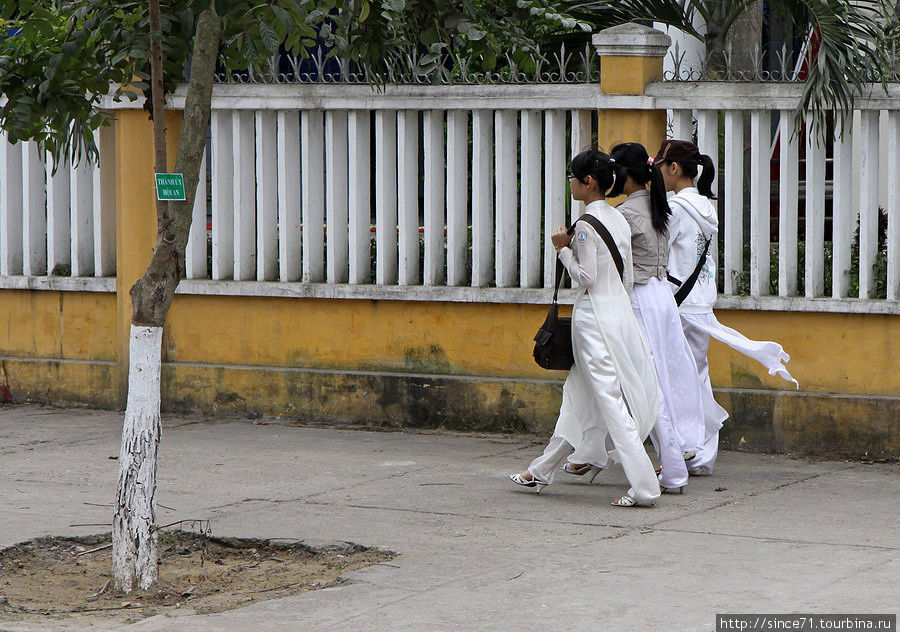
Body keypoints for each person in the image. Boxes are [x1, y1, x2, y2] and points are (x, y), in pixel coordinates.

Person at [509, 149, 662, 507]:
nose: (571, 185)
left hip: (594, 320)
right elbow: (624, 278)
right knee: (579, 397)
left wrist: (562, 249)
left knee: (609, 402)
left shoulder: (585, 228)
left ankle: (643, 488)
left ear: (587, 182)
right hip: (617, 314)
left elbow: (586, 278)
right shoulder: (617, 218)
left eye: (572, 179)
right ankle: (541, 470)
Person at [654, 139, 798, 476]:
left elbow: (659, 253)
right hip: (701, 301)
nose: (658, 173)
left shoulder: (675, 209)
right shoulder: (706, 207)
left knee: (675, 378)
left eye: (660, 166)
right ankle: (702, 456)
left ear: (673, 168)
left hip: (679, 302)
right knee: (698, 375)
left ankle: (684, 449)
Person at [609, 142, 711, 494]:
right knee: (669, 379)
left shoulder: (624, 215)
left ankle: (673, 469)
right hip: (662, 297)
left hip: (639, 298)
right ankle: (592, 453)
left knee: (651, 386)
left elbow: (616, 272)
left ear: (622, 175)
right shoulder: (660, 207)